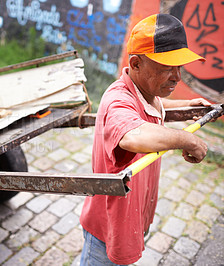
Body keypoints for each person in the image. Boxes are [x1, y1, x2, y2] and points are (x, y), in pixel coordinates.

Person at [80, 13, 211, 265]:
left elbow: (155, 107)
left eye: (179, 67)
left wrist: (188, 107)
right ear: (136, 64)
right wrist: (187, 140)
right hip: (107, 228)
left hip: (134, 216)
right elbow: (132, 134)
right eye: (165, 68)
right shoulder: (117, 101)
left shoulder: (145, 92)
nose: (177, 77)